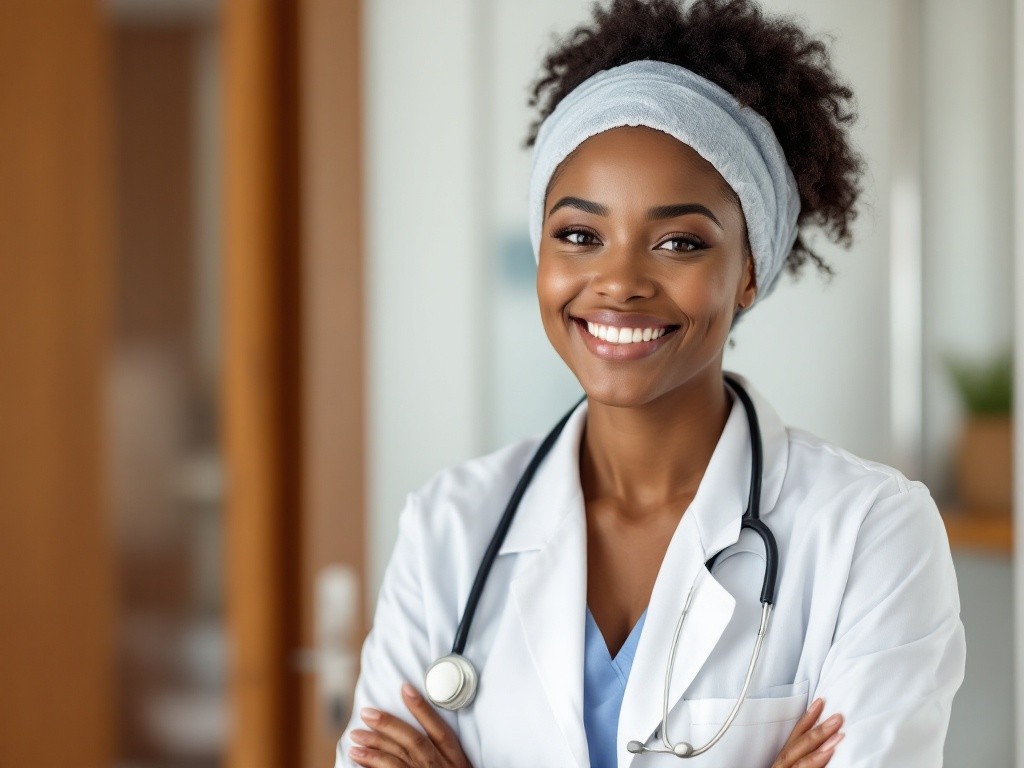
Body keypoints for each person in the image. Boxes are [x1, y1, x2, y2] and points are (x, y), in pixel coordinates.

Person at [336, 0, 966, 765]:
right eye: (579, 235)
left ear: (750, 273)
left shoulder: (872, 534)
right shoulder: (448, 529)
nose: (619, 282)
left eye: (678, 241)